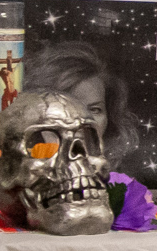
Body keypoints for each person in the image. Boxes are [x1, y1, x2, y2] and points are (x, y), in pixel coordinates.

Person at [30, 40, 132, 173]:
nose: (82, 122)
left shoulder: (119, 180)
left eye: (94, 110)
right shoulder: (17, 177)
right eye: (67, 109)